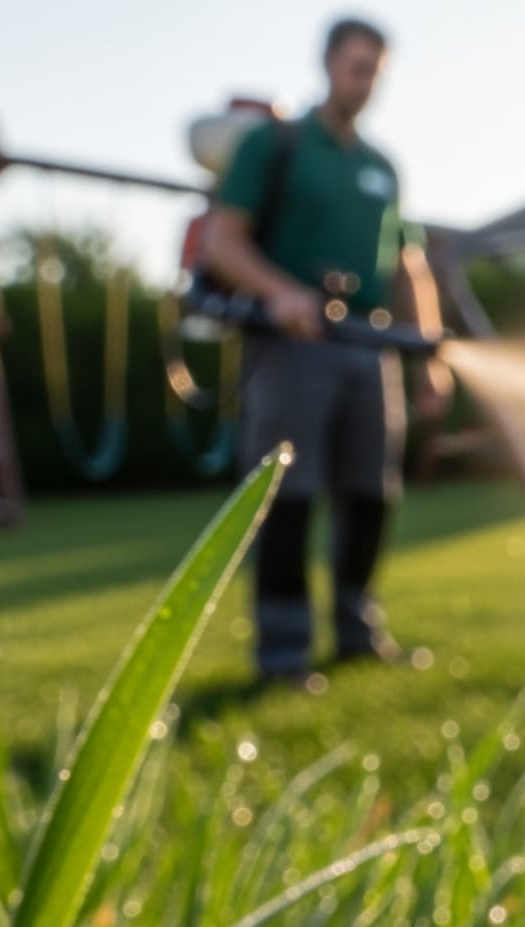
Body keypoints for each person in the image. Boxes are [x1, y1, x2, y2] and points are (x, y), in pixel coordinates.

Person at [204, 16, 452, 687]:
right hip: (292, 344)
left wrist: (429, 358)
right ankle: (283, 653)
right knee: (287, 495)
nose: (365, 82)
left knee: (373, 492)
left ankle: (356, 631)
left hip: (370, 346)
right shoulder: (275, 144)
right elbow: (222, 242)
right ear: (329, 64)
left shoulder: (381, 167)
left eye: (375, 72)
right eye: (356, 67)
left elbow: (408, 267)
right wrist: (281, 293)